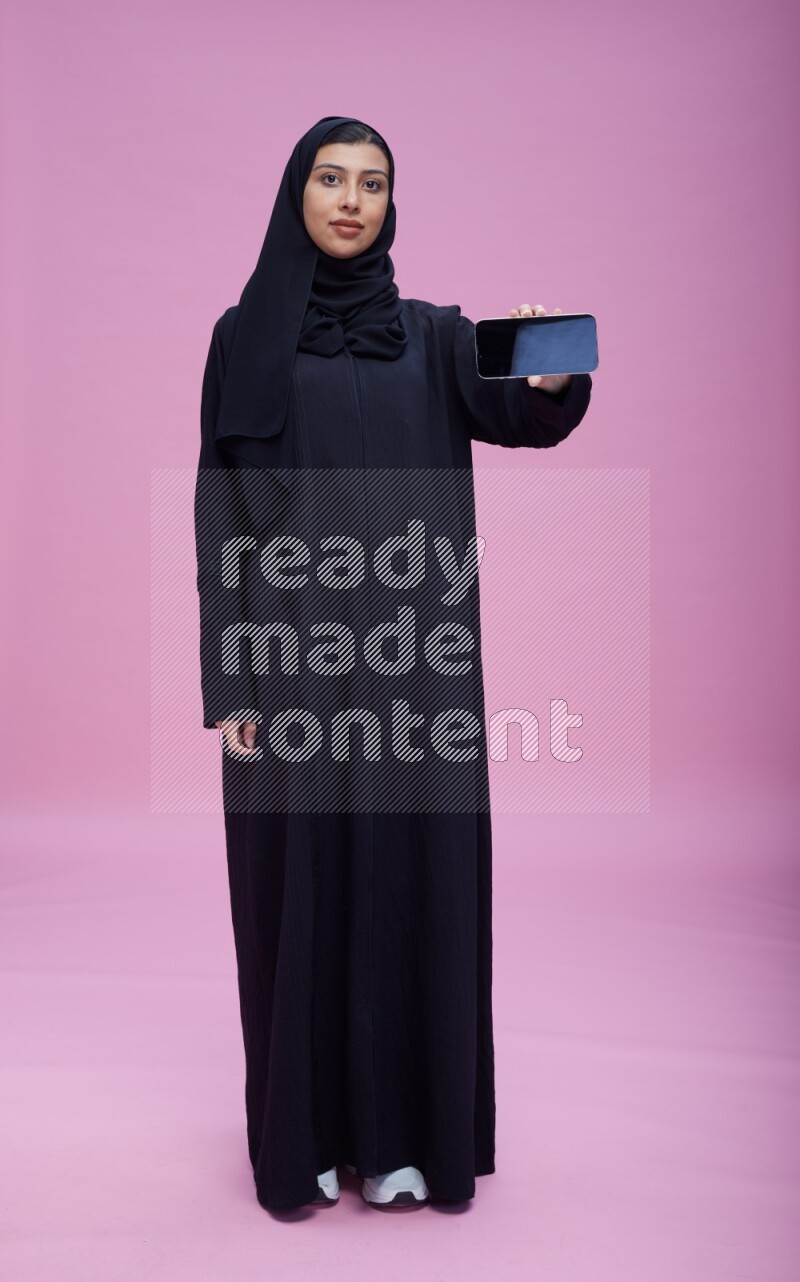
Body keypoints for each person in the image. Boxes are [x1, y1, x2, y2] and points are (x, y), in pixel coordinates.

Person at [194, 115, 592, 1212]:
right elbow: (218, 512)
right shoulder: (241, 339)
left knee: (414, 881)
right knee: (298, 891)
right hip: (289, 666)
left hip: (417, 668)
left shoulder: (432, 336)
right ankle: (307, 1138)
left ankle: (411, 1142)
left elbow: (527, 399)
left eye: (371, 182)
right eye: (330, 178)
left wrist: (548, 364)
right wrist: (230, 681)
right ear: (296, 194)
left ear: (390, 204)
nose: (351, 199)